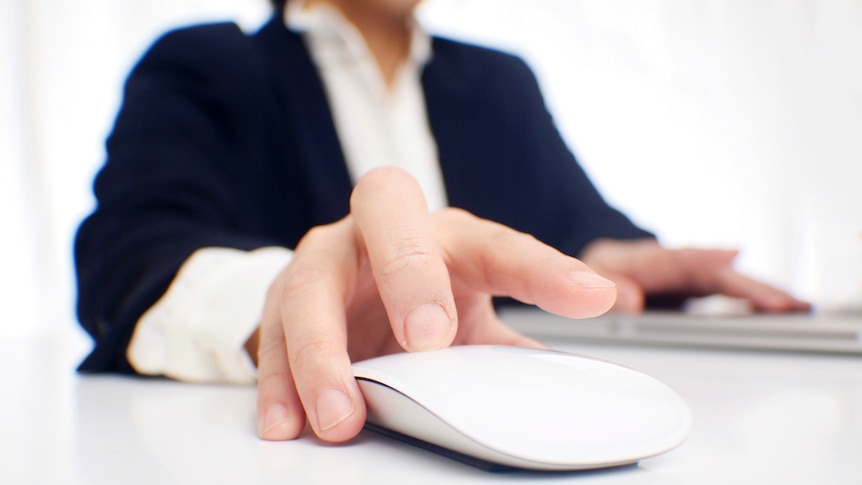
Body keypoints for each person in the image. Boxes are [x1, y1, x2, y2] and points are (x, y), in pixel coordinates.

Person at [75, 0, 809, 445]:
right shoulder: (208, 65)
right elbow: (129, 257)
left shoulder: (496, 83)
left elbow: (567, 216)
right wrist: (291, 298)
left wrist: (611, 250)